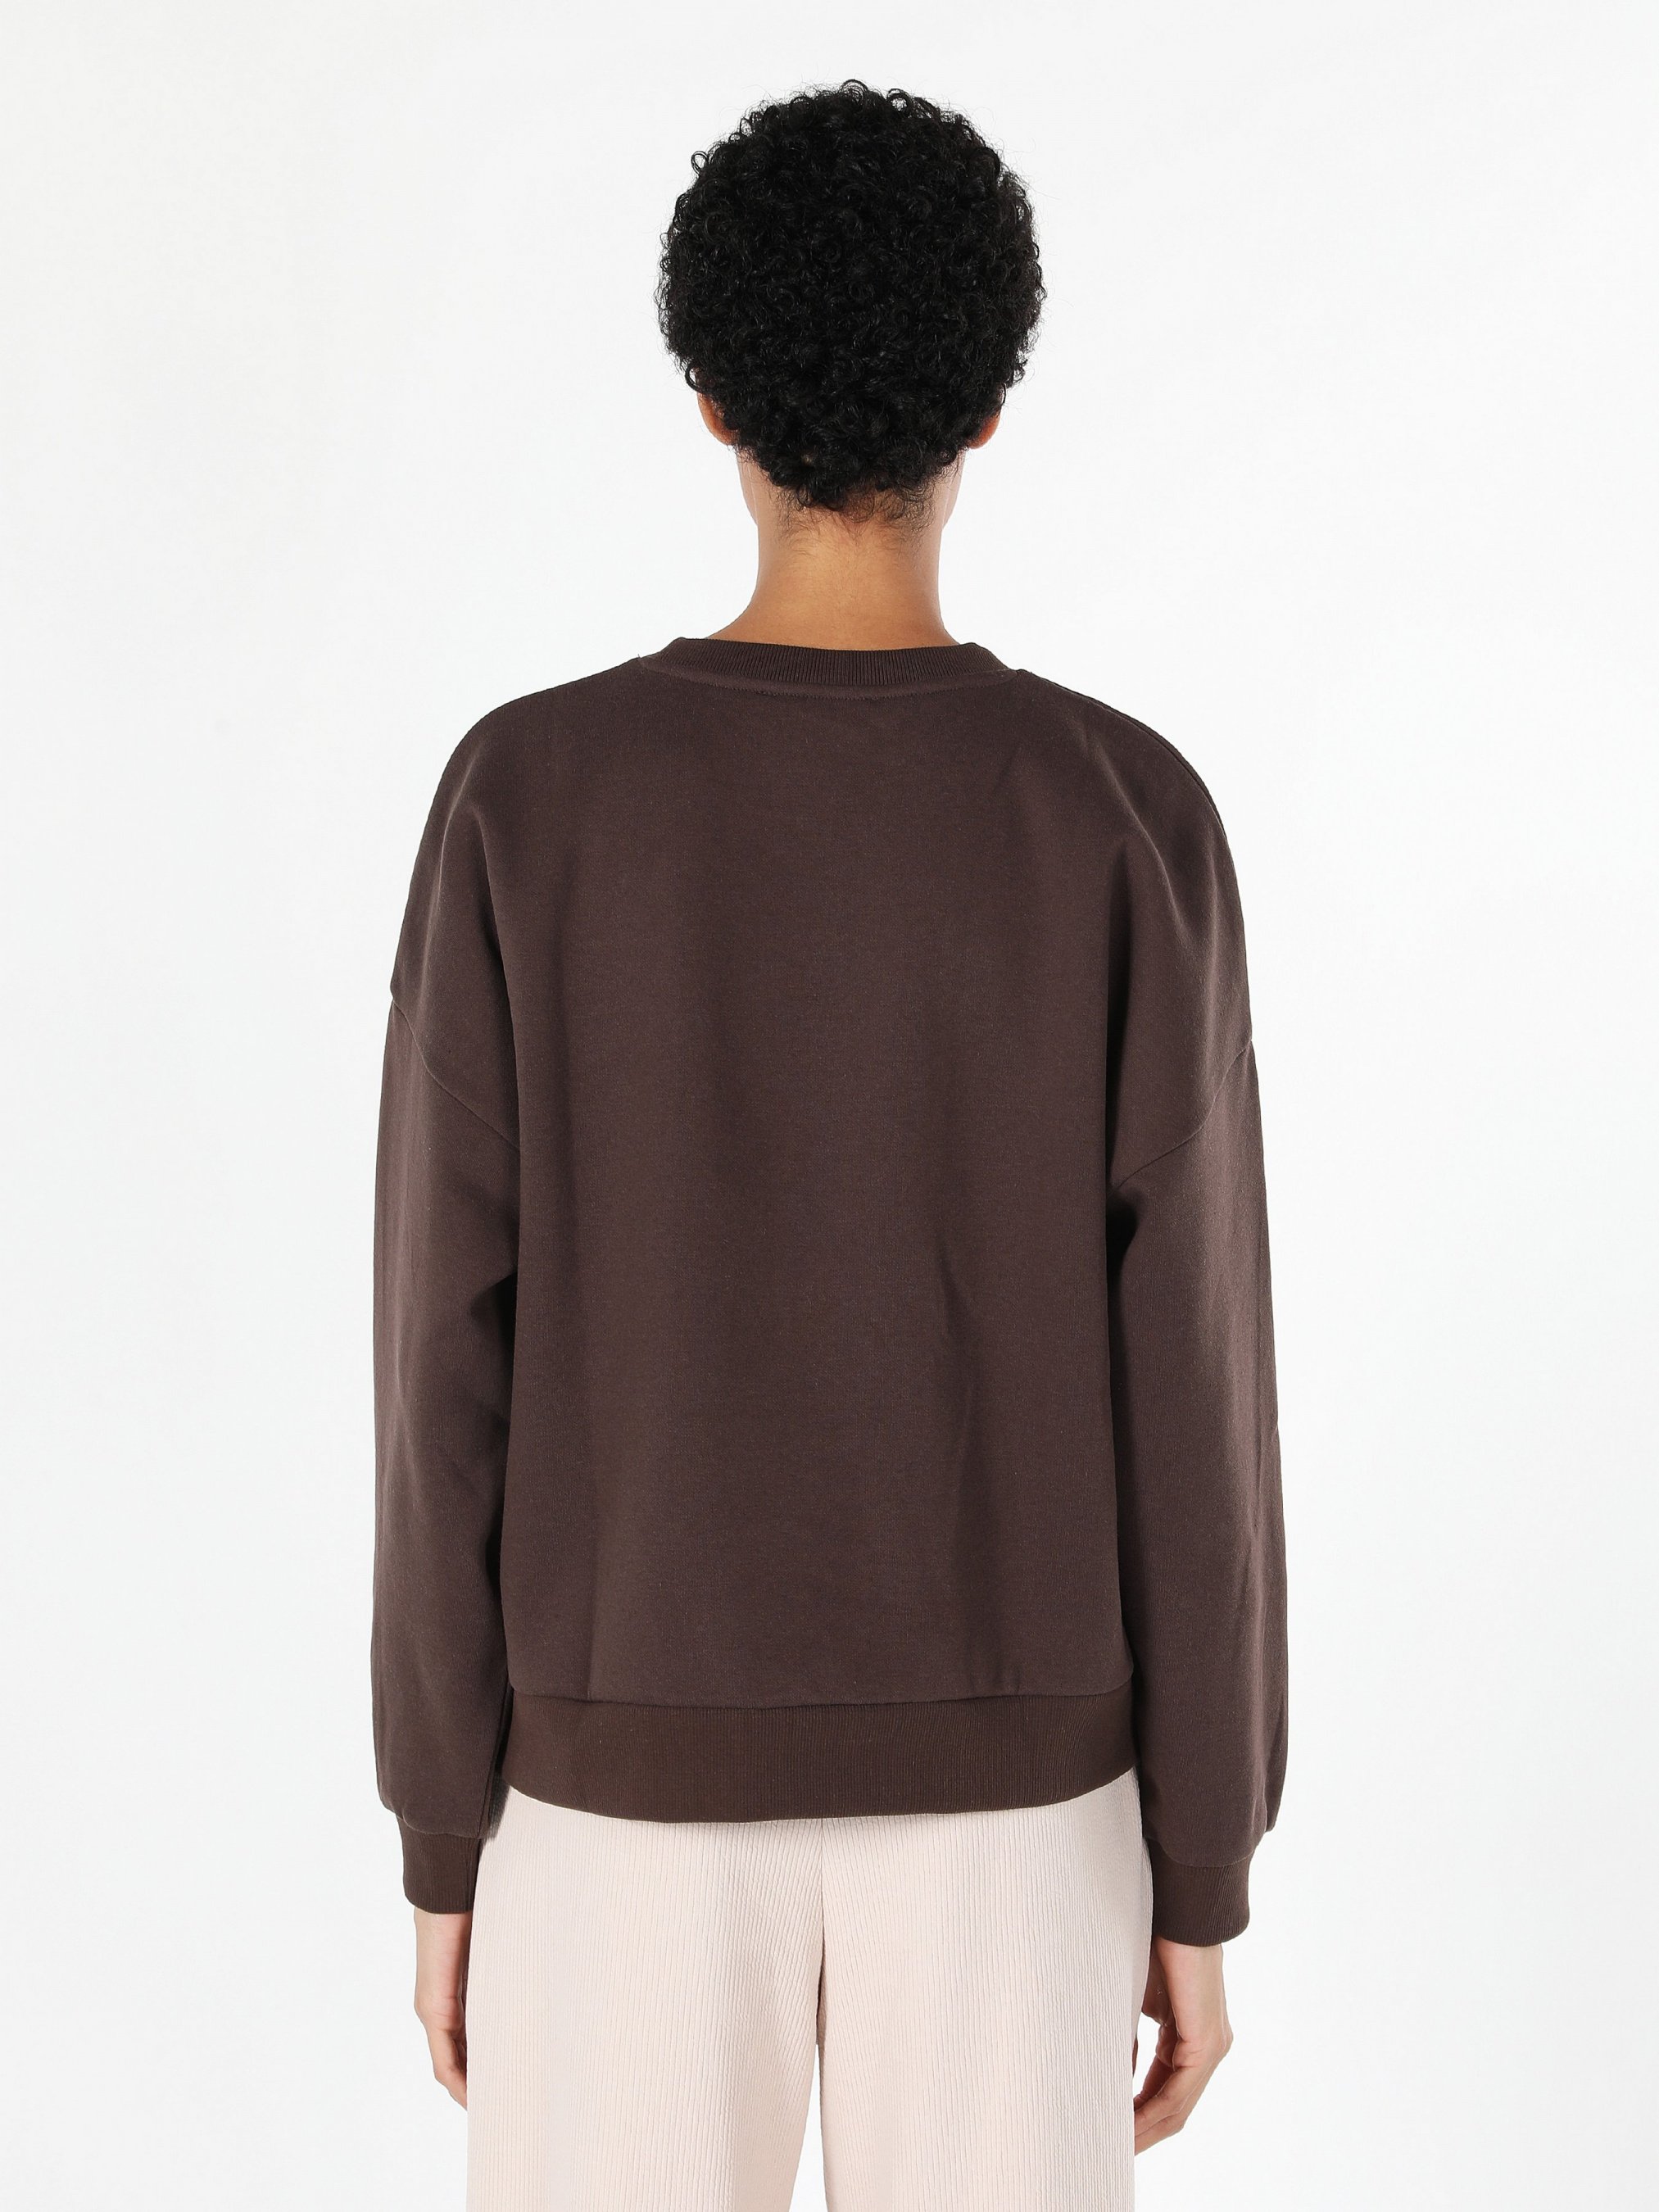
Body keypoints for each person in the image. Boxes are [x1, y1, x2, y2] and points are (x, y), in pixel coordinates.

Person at [373, 79, 1287, 2210]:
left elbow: (440, 1362)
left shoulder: (529, 798)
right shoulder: (1120, 817)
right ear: (989, 406)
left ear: (708, 399)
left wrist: (443, 1830)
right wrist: (1201, 1865)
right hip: (1023, 1812)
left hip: (606, 1793)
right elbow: (1195, 1396)